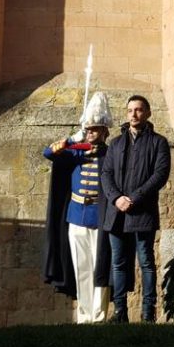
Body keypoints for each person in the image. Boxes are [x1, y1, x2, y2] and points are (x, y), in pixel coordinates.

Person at [42, 92, 113, 324]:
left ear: (104, 131)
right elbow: (48, 153)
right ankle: (84, 316)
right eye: (88, 128)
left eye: (95, 129)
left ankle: (99, 315)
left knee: (99, 268)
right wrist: (70, 140)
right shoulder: (76, 152)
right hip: (76, 215)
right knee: (81, 267)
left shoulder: (110, 153)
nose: (91, 132)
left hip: (99, 216)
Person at [101, 95, 170, 323]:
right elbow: (106, 174)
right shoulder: (115, 144)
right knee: (119, 263)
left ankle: (148, 312)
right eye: (130, 110)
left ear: (148, 113)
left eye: (139, 110)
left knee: (146, 262)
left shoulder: (158, 142)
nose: (134, 114)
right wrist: (116, 198)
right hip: (117, 212)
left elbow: (159, 175)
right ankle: (120, 312)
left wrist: (134, 198)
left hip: (143, 212)